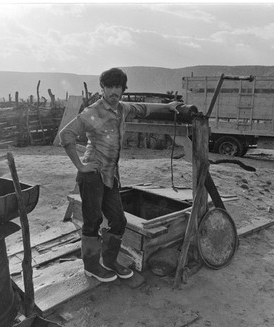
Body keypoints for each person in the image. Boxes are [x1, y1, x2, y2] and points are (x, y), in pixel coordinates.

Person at [59, 67, 182, 282]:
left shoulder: (122, 109)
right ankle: (91, 266)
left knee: (118, 220)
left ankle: (109, 260)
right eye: (110, 86)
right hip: (92, 174)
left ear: (123, 89)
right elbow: (65, 135)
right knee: (93, 221)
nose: (114, 91)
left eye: (118, 87)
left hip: (110, 175)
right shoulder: (93, 112)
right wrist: (80, 165)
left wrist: (169, 107)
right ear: (103, 88)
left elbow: (142, 107)